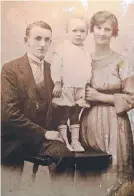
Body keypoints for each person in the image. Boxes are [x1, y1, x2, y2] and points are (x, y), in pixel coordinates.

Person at [1, 21, 74, 175]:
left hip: (42, 140)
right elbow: (9, 113)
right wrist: (44, 132)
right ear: (26, 41)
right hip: (15, 137)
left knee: (65, 156)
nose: (43, 44)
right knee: (11, 184)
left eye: (47, 40)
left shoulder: (53, 70)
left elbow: (59, 108)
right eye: (38, 38)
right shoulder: (10, 69)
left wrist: (65, 134)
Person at [80, 11, 134, 194]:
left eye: (107, 29)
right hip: (89, 123)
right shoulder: (83, 59)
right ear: (92, 29)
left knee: (114, 177)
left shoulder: (121, 61)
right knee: (89, 176)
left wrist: (100, 97)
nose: (102, 33)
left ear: (114, 32)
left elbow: (131, 97)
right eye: (98, 28)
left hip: (115, 125)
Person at [51, 17, 91, 152]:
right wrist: (57, 83)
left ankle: (75, 141)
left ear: (87, 33)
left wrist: (87, 84)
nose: (78, 34)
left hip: (80, 88)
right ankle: (64, 141)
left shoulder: (86, 52)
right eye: (74, 30)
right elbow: (55, 67)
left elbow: (88, 68)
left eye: (82, 31)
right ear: (67, 31)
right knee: (64, 115)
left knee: (75, 115)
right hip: (66, 87)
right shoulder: (62, 49)